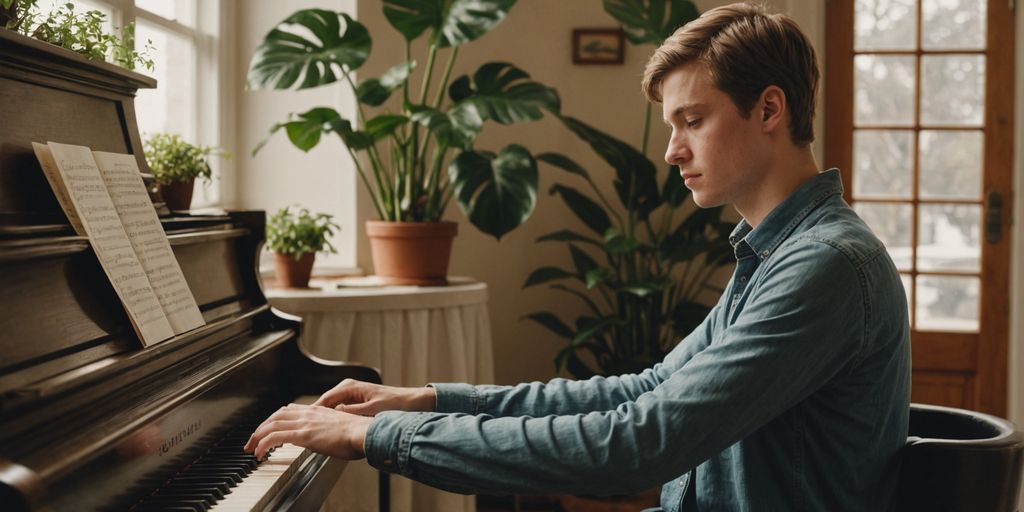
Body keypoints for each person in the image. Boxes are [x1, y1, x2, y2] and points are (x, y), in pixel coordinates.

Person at [245, 3, 911, 510]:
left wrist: (373, 439)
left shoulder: (825, 266)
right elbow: (648, 390)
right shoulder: (785, 255)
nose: (672, 151)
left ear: (770, 108)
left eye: (692, 120)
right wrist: (424, 401)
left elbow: (640, 445)